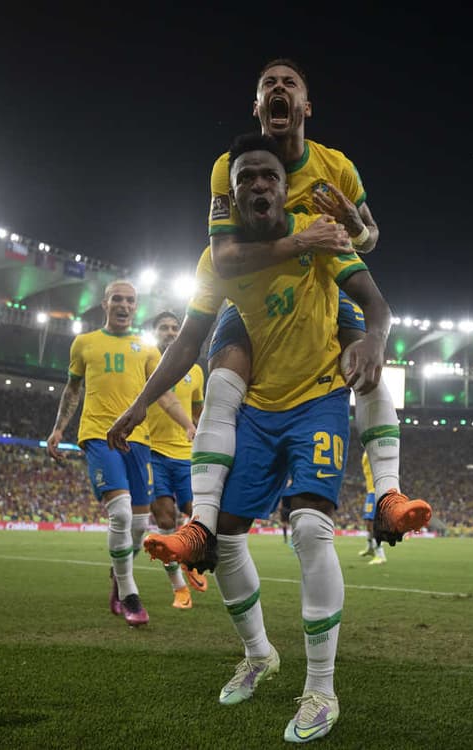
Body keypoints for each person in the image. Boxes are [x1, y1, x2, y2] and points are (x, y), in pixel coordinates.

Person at [108, 133, 392, 743]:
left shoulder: (318, 230)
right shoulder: (218, 261)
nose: (259, 185)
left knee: (311, 528)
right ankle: (260, 654)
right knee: (227, 543)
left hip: (316, 397)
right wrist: (135, 407)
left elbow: (374, 300)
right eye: (245, 180)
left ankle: (321, 689)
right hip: (259, 411)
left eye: (268, 176)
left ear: (283, 186)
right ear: (230, 197)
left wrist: (372, 339)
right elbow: (187, 343)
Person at [143, 59, 429, 575]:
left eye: (289, 83)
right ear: (257, 108)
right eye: (267, 85)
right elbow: (224, 256)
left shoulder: (336, 165)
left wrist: (351, 226)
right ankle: (202, 523)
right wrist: (300, 240)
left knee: (362, 354)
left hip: (320, 282)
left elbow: (370, 239)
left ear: (305, 106)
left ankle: (388, 493)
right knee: (223, 376)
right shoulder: (226, 166)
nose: (279, 89)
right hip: (250, 295)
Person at [46, 280, 197, 628]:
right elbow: (72, 390)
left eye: (130, 300)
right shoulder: (84, 343)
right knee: (121, 514)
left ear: (135, 306)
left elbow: (166, 396)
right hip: (98, 435)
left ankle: (118, 574)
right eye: (117, 299)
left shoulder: (146, 350)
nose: (124, 305)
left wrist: (188, 425)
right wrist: (58, 429)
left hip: (139, 441)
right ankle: (130, 593)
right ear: (105, 303)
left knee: (139, 524)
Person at [145, 310, 208, 609]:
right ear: (154, 332)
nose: (170, 332)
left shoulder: (195, 371)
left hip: (186, 455)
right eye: (163, 327)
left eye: (175, 327)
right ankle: (179, 589)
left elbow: (199, 411)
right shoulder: (144, 363)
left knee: (198, 516)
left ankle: (189, 560)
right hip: (152, 452)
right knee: (165, 520)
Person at [357, 453, 386, 564]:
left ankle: (380, 554)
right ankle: (370, 548)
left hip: (376, 491)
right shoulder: (366, 453)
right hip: (370, 492)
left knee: (372, 523)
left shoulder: (373, 452)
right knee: (368, 522)